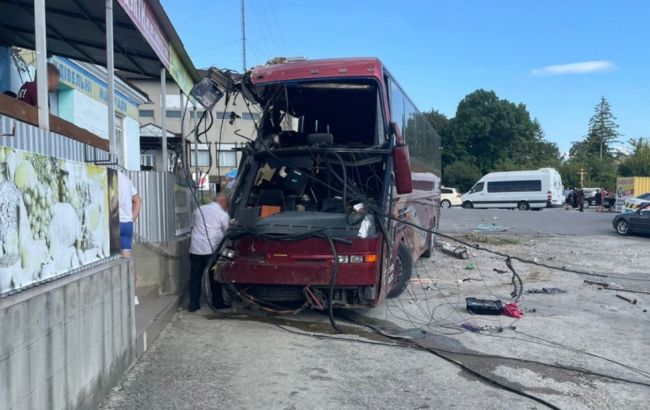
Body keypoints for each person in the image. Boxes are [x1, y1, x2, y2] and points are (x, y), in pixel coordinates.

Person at [188, 192, 230, 312]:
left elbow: (193, 226)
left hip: (195, 248)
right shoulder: (223, 214)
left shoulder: (199, 209)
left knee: (195, 277)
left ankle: (193, 304)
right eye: (227, 203)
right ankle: (217, 303)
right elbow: (227, 231)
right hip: (212, 249)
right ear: (223, 202)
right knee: (214, 278)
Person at [118, 172, 142, 257]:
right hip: (127, 223)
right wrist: (132, 218)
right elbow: (138, 200)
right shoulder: (126, 180)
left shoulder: (108, 176)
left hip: (114, 223)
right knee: (126, 256)